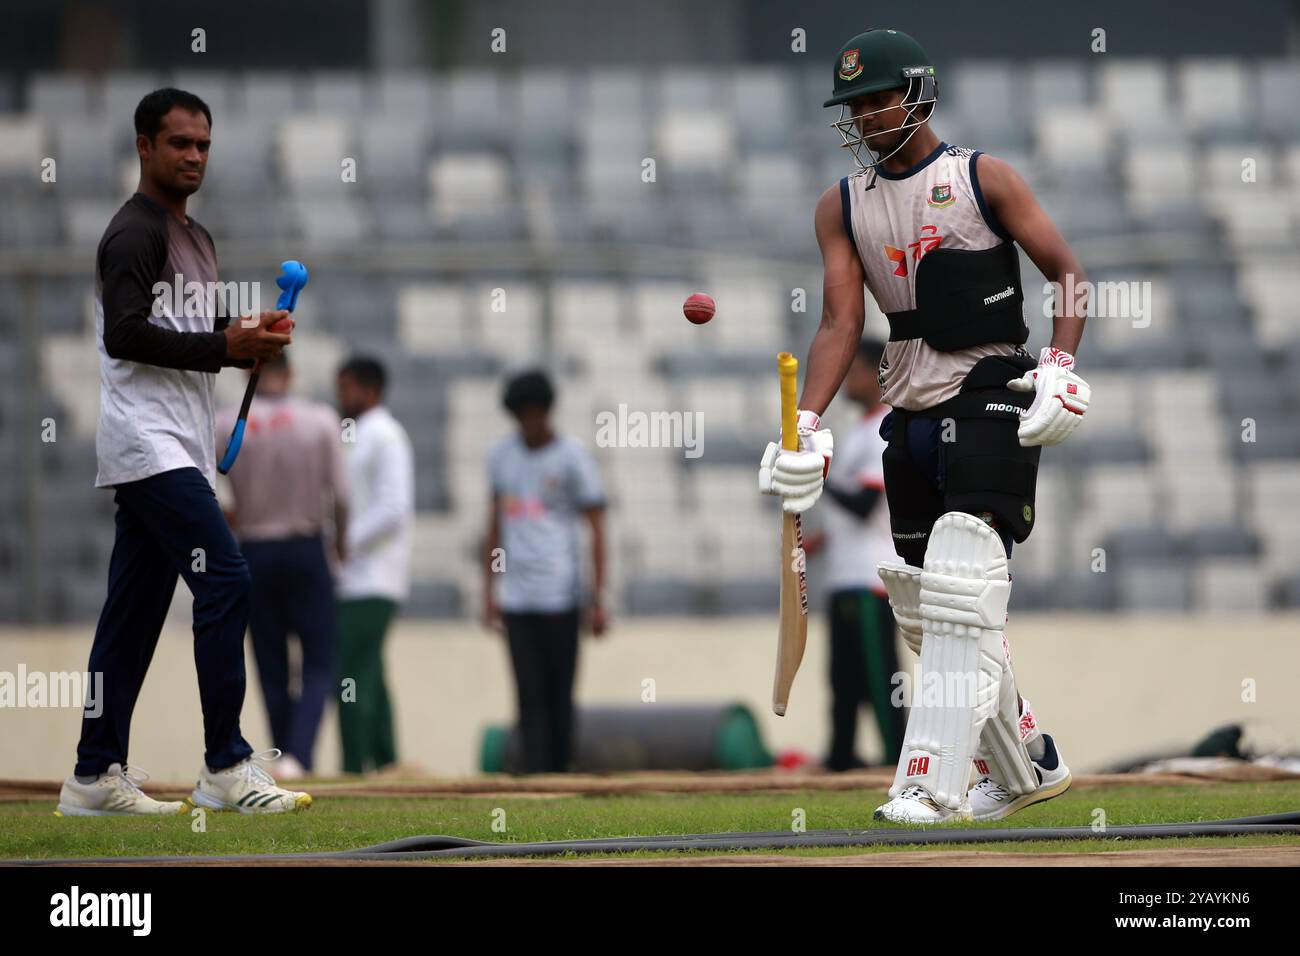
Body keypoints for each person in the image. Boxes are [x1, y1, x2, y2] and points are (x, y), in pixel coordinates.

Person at [759, 30, 1091, 824]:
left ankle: (927, 783)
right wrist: (804, 422)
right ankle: (1027, 765)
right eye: (855, 105)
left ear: (916, 92)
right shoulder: (841, 204)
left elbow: (1069, 275)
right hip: (909, 408)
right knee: (930, 606)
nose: (868, 116)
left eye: (878, 97)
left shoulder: (983, 177)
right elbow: (843, 322)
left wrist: (1060, 366)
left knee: (958, 585)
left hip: (990, 389)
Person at [59, 88, 310, 816]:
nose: (194, 156)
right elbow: (124, 335)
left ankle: (92, 777)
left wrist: (247, 330)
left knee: (132, 614)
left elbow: (195, 322)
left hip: (176, 448)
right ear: (145, 147)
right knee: (228, 578)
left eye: (202, 144)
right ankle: (226, 765)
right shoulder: (133, 233)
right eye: (179, 144)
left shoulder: (193, 237)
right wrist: (223, 348)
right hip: (148, 444)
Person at [217, 353, 349, 779]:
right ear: (290, 372)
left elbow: (201, 490)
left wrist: (234, 518)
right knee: (319, 661)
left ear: (246, 372)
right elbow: (343, 495)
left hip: (253, 549)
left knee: (270, 661)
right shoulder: (321, 420)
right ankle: (299, 754)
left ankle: (281, 757)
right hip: (307, 545)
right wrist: (340, 545)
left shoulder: (227, 424)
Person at [483, 369, 608, 774]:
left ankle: (560, 772)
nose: (528, 423)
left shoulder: (572, 457)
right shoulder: (502, 456)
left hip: (561, 594)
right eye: (521, 415)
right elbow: (494, 527)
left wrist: (598, 596)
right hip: (517, 597)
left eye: (534, 413)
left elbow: (596, 526)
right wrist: (489, 591)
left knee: (559, 692)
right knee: (527, 693)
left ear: (547, 412)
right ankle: (533, 778)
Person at [805, 338, 905, 771]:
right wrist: (815, 544)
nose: (846, 379)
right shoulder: (858, 433)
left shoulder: (886, 429)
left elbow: (866, 504)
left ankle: (897, 762)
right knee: (843, 681)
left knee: (880, 678)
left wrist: (818, 475)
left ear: (876, 373)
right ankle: (841, 760)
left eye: (853, 370)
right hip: (845, 577)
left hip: (872, 579)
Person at [334, 356, 414, 775]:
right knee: (370, 674)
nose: (340, 396)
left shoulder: (385, 435)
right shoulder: (354, 435)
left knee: (349, 675)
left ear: (372, 389)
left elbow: (393, 508)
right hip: (352, 576)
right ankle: (387, 761)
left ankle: (353, 766)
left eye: (348, 387)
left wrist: (342, 542)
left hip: (373, 577)